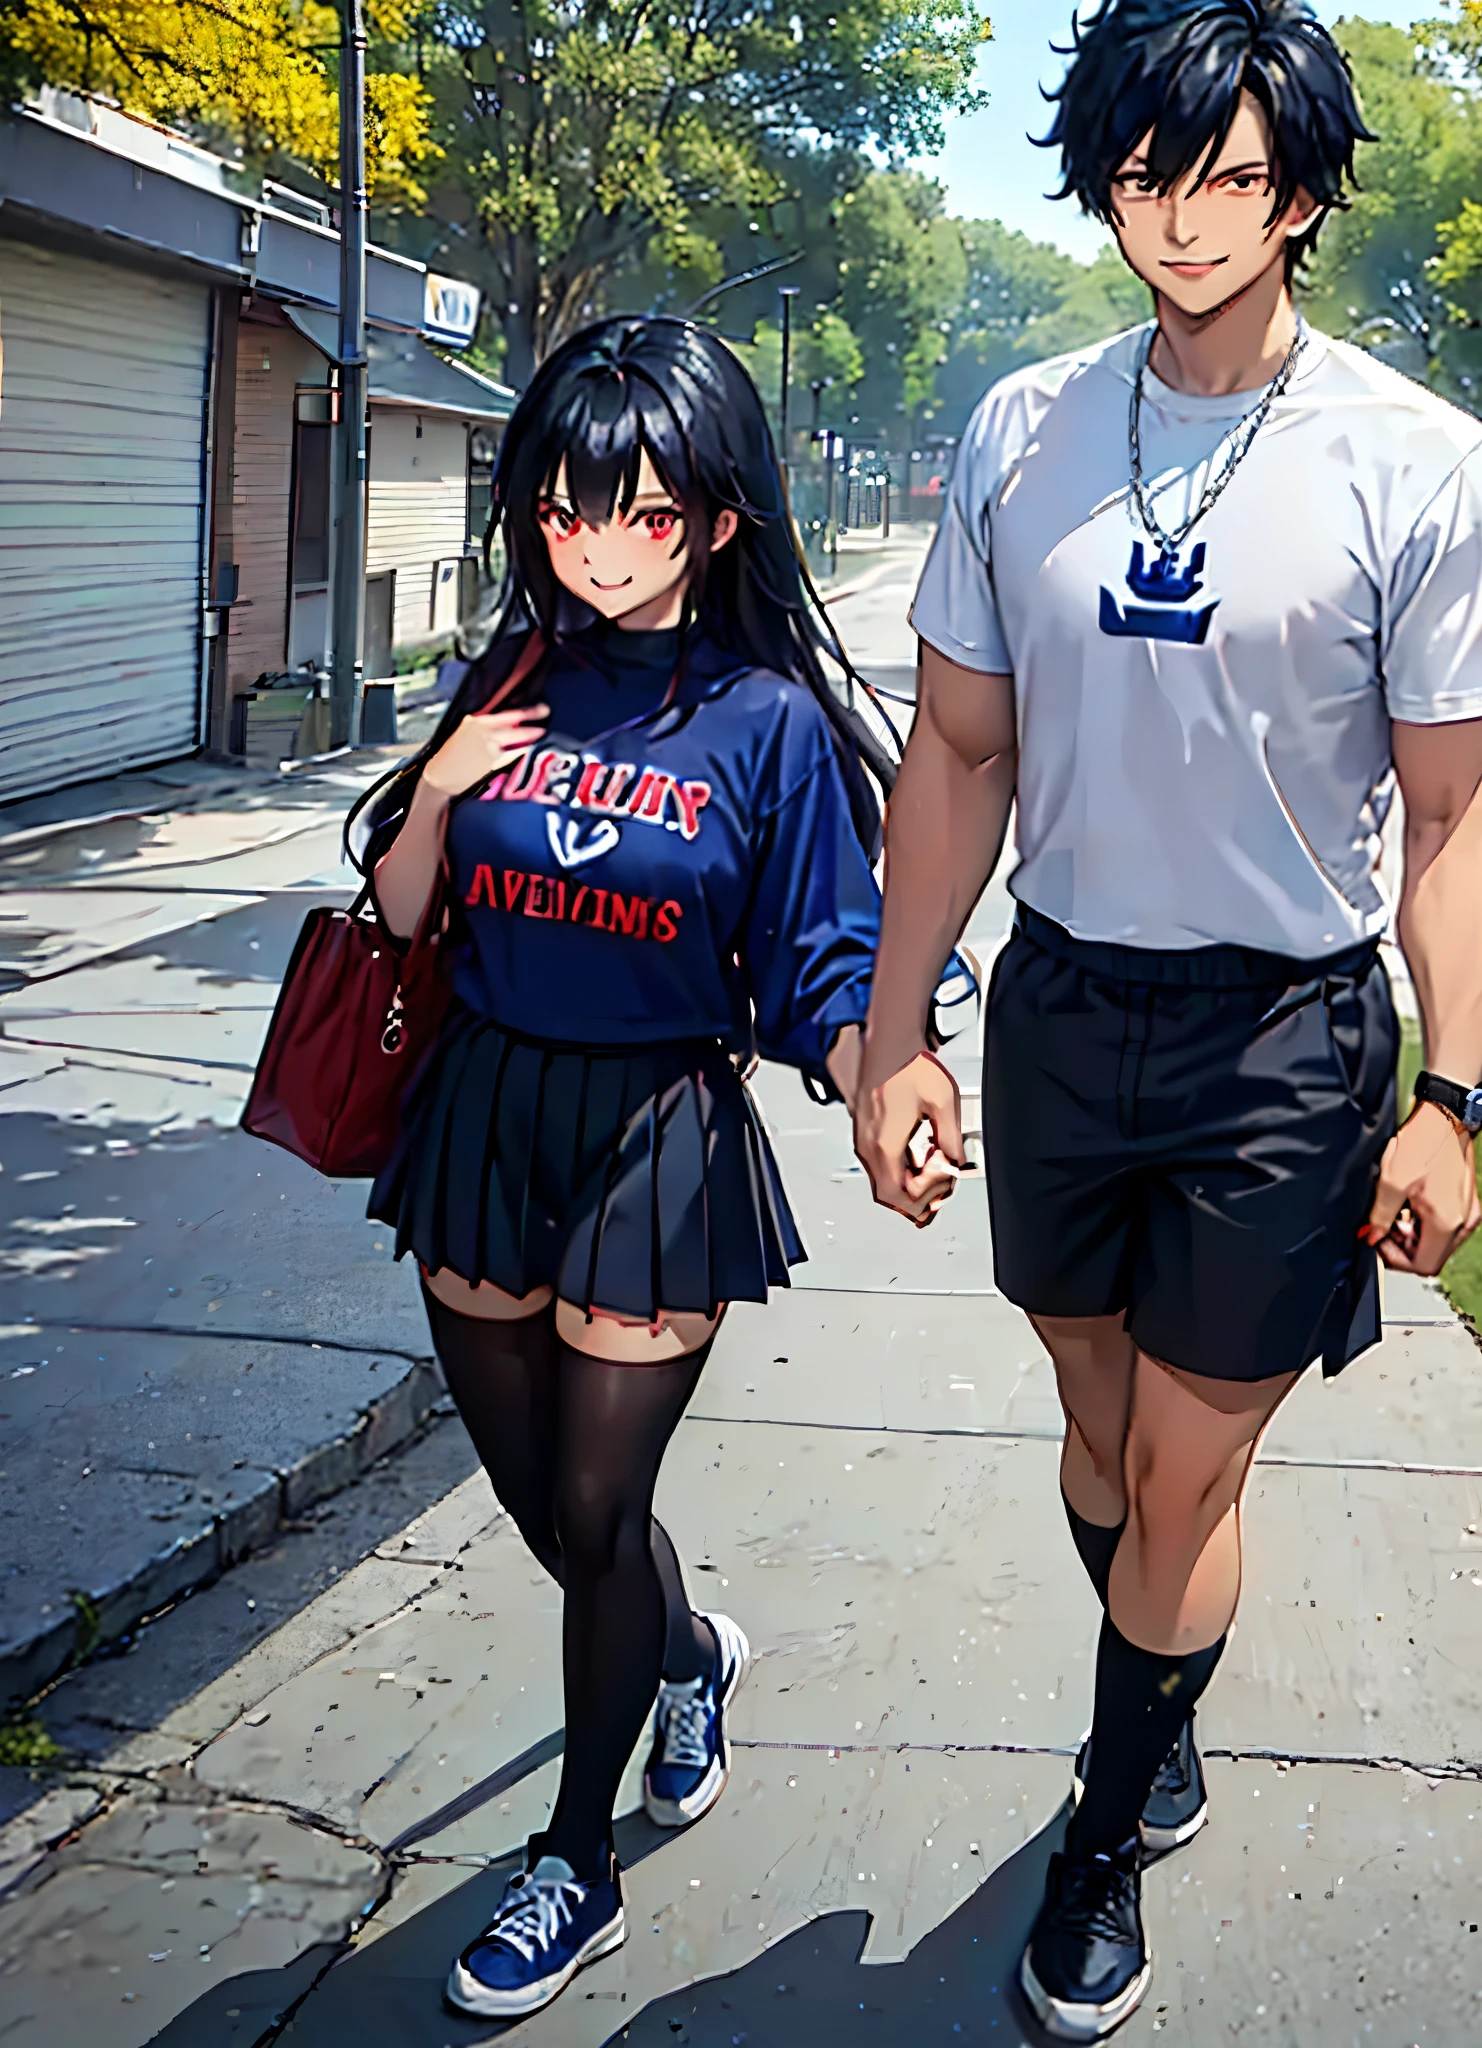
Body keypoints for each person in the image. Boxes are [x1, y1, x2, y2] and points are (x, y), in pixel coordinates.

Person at [850, 0, 1482, 2035]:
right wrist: (896, 1029)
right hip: (1065, 1009)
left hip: (1283, 1041)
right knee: (1094, 1422)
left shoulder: (1414, 463)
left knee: (1179, 1472)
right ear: (1103, 178)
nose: (1180, 215)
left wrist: (1454, 1096)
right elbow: (955, 760)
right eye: (1147, 173)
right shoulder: (1019, 428)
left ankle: (1096, 1831)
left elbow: (1458, 810)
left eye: (1227, 175)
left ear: (1302, 192)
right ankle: (1161, 1705)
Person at [358, 316, 900, 2020]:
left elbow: (821, 961)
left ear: (719, 522)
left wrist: (883, 1077)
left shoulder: (767, 724)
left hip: (654, 1137)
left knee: (595, 1508)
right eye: (569, 509)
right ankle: (689, 1656)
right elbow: (400, 914)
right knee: (551, 1514)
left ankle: (571, 1863)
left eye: (646, 512)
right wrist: (440, 789)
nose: (599, 543)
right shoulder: (504, 677)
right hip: (484, 1115)